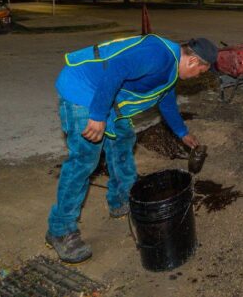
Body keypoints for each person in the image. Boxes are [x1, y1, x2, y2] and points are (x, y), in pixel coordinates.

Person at [46, 34, 218, 263]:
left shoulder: (171, 68)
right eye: (201, 72)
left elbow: (165, 100)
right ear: (194, 62)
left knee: (123, 139)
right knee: (84, 161)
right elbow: (116, 69)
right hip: (84, 91)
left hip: (107, 100)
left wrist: (183, 134)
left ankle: (121, 199)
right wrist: (97, 115)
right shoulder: (158, 53)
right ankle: (60, 230)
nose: (197, 77)